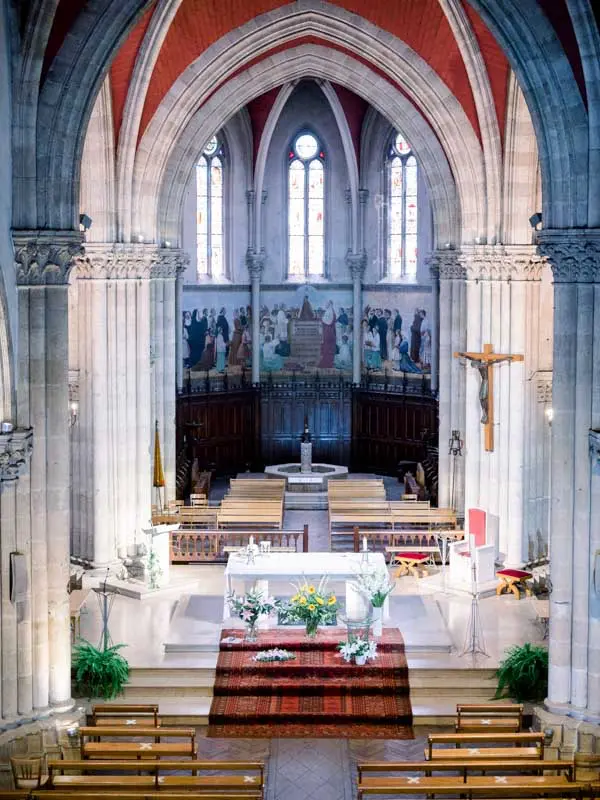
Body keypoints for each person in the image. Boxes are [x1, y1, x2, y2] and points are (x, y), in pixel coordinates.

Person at [318, 300, 337, 368]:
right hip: (329, 331)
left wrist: (321, 319)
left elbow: (328, 322)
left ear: (329, 304)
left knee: (327, 347)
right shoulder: (331, 311)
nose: (325, 305)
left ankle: (326, 363)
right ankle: (327, 363)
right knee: (327, 347)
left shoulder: (329, 311)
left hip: (328, 331)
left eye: (327, 304)